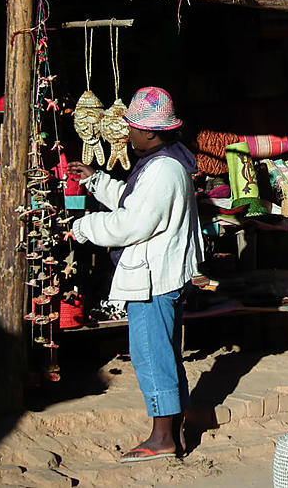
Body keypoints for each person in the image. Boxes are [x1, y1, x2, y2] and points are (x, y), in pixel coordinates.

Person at [67, 86, 202, 463]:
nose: (127, 134)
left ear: (150, 133)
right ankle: (175, 433)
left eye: (131, 128)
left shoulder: (162, 171)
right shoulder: (164, 164)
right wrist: (95, 180)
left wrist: (84, 227)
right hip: (162, 275)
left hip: (154, 280)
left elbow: (134, 223)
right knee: (165, 353)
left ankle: (162, 438)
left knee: (150, 355)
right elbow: (134, 201)